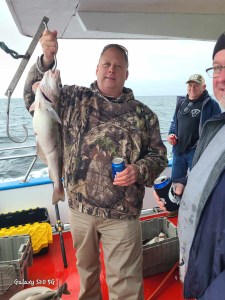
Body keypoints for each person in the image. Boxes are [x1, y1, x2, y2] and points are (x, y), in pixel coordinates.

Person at [23, 30, 168, 300]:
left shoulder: (144, 115)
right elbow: (32, 97)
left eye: (118, 66)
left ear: (126, 74)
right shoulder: (73, 99)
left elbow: (160, 157)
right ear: (97, 68)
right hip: (79, 210)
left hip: (122, 217)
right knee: (87, 276)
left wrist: (138, 170)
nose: (112, 69)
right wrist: (46, 58)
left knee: (125, 285)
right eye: (107, 64)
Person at [154, 31, 225, 299]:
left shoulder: (210, 108)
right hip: (180, 152)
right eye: (217, 67)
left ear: (202, 87)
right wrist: (176, 201)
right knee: (179, 184)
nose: (222, 76)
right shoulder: (213, 127)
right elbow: (209, 199)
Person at [167, 74, 221, 181]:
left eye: (196, 85)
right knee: (176, 183)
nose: (192, 88)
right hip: (179, 151)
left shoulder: (211, 104)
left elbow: (218, 130)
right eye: (190, 85)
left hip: (197, 152)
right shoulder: (182, 102)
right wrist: (171, 134)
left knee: (198, 183)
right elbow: (174, 122)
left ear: (204, 87)